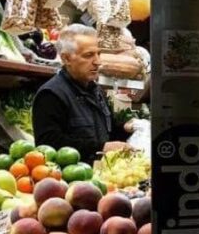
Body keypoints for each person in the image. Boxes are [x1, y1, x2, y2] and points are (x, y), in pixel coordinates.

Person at [32, 24, 131, 164]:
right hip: (71, 179)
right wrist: (101, 148)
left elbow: (108, 131)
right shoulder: (51, 95)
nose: (98, 62)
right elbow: (48, 145)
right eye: (89, 55)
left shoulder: (95, 90)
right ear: (66, 59)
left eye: (99, 53)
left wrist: (127, 128)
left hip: (102, 176)